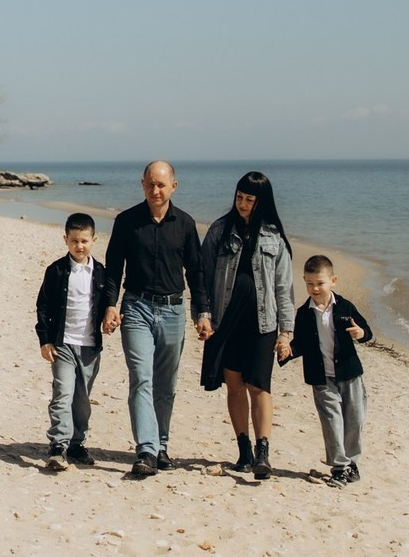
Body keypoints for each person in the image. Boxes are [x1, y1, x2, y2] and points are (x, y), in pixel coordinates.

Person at [102, 161, 210, 477]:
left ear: (173, 186)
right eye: (150, 184)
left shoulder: (186, 224)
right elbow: (112, 268)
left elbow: (197, 272)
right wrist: (110, 305)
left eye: (161, 185)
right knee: (141, 377)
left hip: (174, 310)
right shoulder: (126, 222)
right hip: (136, 307)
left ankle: (162, 445)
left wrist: (202, 313)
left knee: (167, 384)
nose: (155, 190)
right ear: (142, 184)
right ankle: (146, 450)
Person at [199, 170, 294, 478]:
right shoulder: (219, 230)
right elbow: (203, 275)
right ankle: (244, 451)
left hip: (262, 322)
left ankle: (263, 452)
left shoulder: (274, 237)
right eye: (239, 197)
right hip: (226, 319)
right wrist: (203, 314)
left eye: (249, 199)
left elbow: (284, 288)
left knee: (260, 386)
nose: (242, 204)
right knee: (235, 385)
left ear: (261, 201)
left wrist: (287, 332)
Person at [284, 254, 373, 487]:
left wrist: (361, 334)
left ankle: (352, 462)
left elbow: (367, 330)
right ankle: (339, 467)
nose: (315, 288)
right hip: (321, 377)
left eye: (320, 283)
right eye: (310, 283)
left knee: (354, 420)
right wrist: (287, 352)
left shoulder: (345, 307)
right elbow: (301, 344)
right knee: (332, 421)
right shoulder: (304, 313)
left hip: (350, 374)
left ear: (333, 280)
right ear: (304, 280)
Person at [34, 213, 113, 471]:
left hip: (89, 345)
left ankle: (77, 445)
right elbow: (43, 306)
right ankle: (58, 446)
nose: (80, 246)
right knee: (62, 393)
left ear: (94, 240)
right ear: (65, 240)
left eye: (85, 241)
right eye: (74, 241)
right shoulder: (56, 270)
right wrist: (45, 340)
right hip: (63, 344)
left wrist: (109, 319)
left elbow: (106, 305)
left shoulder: (101, 272)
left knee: (81, 399)